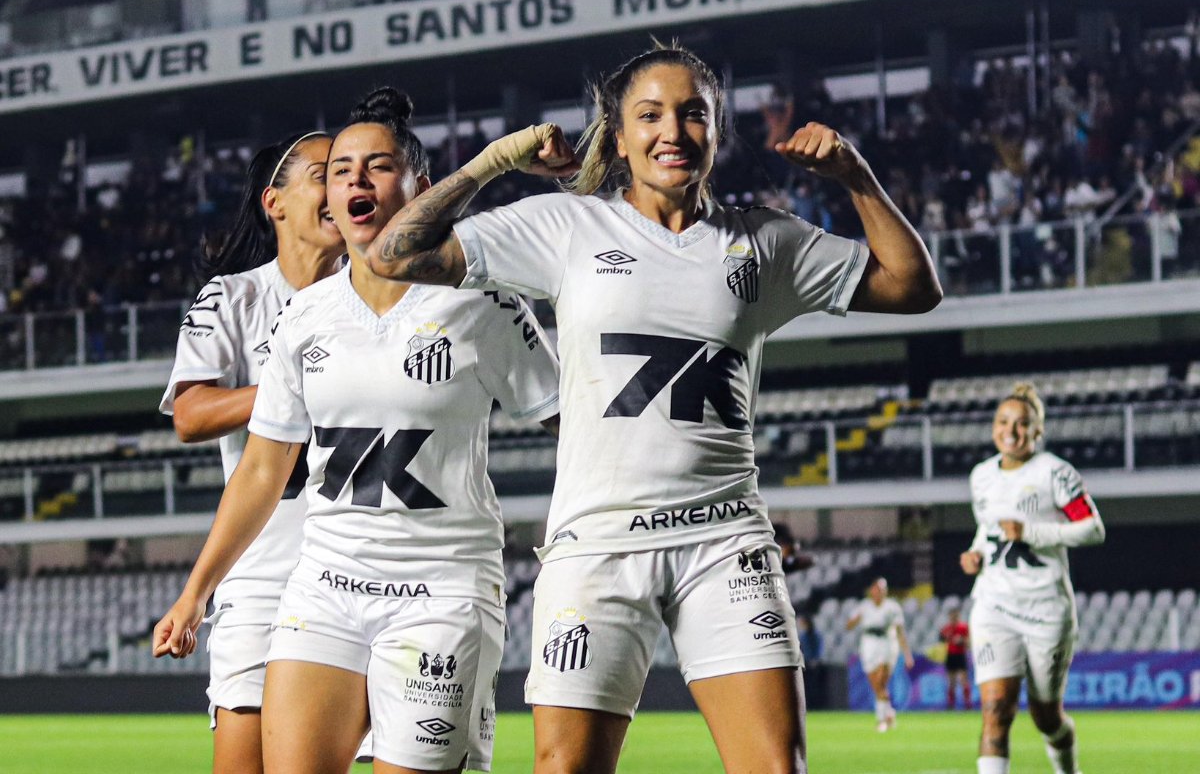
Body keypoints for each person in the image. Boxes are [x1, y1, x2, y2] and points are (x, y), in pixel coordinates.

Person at [357, 43, 940, 773]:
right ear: (620, 132)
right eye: (651, 115)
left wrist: (856, 178)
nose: (674, 131)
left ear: (717, 129)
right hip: (597, 546)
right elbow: (393, 256)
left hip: (725, 541)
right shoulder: (565, 228)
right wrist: (492, 164)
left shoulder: (763, 240)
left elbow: (914, 287)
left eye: (694, 113)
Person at [153, 88, 562, 774]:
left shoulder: (484, 302)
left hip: (442, 590)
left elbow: (574, 427)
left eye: (376, 167)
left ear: (421, 188)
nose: (353, 182)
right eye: (340, 170)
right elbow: (259, 469)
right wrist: (195, 593)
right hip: (326, 589)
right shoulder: (304, 317)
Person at [159, 130, 344, 774]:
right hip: (262, 572)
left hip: (361, 563)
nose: (344, 185)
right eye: (324, 172)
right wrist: (285, 387)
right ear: (276, 202)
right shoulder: (232, 298)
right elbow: (190, 414)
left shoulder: (380, 297)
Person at [960, 383, 1105, 774]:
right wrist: (976, 553)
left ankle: (1067, 767)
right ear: (993, 427)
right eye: (1004, 421)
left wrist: (1031, 533)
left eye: (1023, 424)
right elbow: (988, 528)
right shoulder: (981, 476)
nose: (1011, 430)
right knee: (995, 710)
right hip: (994, 605)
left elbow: (1093, 528)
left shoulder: (1055, 473)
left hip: (1046, 609)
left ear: (1038, 432)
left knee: (1046, 716)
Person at [846, 578, 914, 732]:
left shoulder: (892, 607)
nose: (879, 592)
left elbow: (899, 631)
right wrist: (856, 619)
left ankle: (881, 719)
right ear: (872, 590)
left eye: (882, 589)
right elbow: (848, 625)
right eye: (877, 589)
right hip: (869, 644)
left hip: (887, 643)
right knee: (876, 685)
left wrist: (907, 654)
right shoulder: (864, 606)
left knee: (881, 681)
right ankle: (889, 712)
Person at [940, 607, 971, 709]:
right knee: (951, 681)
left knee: (963, 679)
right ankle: (951, 704)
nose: (953, 618)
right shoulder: (946, 628)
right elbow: (941, 641)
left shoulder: (963, 627)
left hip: (960, 654)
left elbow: (969, 643)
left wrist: (961, 641)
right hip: (950, 655)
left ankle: (967, 703)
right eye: (952, 616)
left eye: (955, 615)